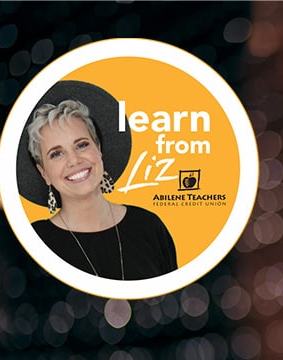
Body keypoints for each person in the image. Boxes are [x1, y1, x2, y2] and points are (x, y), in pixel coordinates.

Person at [18, 81, 177, 281]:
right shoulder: (31, 243)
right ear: (44, 173)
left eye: (82, 145)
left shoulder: (149, 226)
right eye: (57, 154)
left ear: (99, 149)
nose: (74, 160)